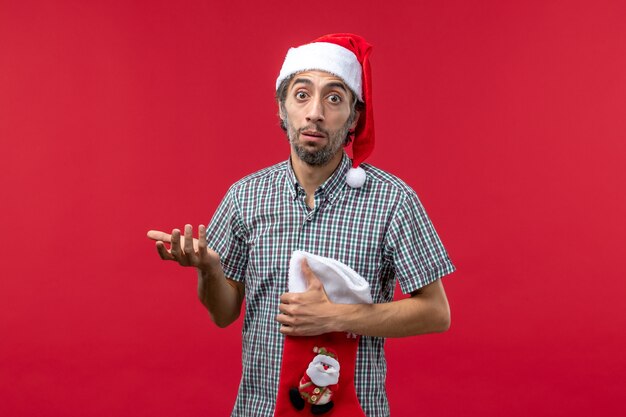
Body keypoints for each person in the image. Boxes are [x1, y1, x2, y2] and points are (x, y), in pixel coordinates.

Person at [147, 33, 455, 417]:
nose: (315, 113)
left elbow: (436, 312)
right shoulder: (245, 198)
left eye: (334, 98)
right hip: (258, 409)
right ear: (282, 108)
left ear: (354, 117)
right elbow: (224, 313)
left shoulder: (393, 200)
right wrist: (210, 272)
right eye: (302, 95)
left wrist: (334, 317)